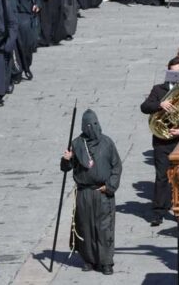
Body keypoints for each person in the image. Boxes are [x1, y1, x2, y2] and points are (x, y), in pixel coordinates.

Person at [60, 110, 122, 274]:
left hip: (102, 193)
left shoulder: (107, 143)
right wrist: (66, 159)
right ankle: (88, 259)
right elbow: (66, 168)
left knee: (104, 228)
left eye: (94, 124)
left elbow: (117, 166)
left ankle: (106, 261)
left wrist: (109, 186)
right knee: (85, 226)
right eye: (88, 125)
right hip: (84, 193)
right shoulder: (77, 144)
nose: (92, 128)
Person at [140, 58, 179, 227]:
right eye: (173, 72)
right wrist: (160, 104)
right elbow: (144, 107)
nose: (175, 76)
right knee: (161, 176)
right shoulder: (158, 90)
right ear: (168, 72)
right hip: (162, 140)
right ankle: (158, 212)